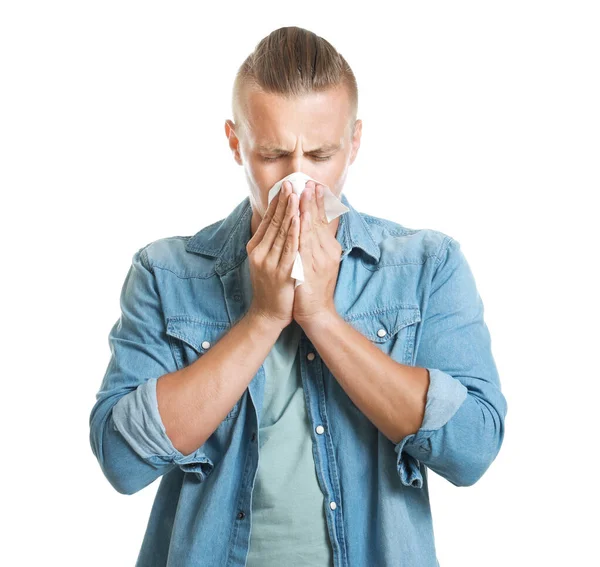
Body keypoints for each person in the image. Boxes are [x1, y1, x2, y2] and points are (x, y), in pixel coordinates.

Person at [89, 25, 507, 567]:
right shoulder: (166, 273)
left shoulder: (426, 266)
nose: (298, 180)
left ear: (354, 142)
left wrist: (322, 318)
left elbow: (473, 450)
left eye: (321, 153)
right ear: (236, 142)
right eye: (273, 155)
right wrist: (262, 317)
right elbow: (123, 462)